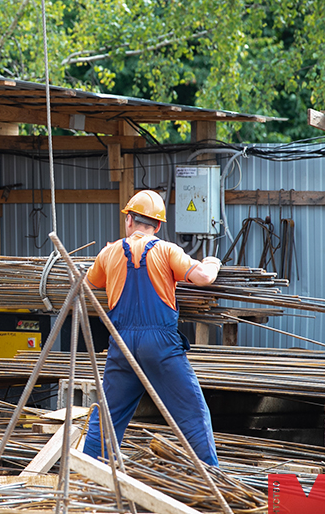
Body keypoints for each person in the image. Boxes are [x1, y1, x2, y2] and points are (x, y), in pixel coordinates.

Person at [81, 189, 221, 466]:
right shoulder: (167, 250)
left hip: (121, 344)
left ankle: (87, 476)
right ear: (157, 226)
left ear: (129, 221)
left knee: (107, 416)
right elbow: (204, 278)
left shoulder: (108, 253)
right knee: (191, 413)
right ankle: (211, 477)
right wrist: (212, 262)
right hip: (160, 344)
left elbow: (90, 283)